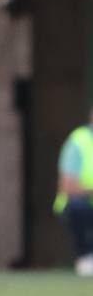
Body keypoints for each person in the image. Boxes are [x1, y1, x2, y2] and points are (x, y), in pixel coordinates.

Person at [54, 109, 93, 276]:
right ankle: (85, 257)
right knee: (76, 206)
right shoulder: (78, 141)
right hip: (82, 205)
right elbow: (67, 186)